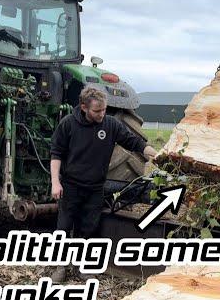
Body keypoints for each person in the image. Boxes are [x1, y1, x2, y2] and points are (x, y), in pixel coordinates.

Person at [49, 86, 157, 281]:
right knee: (64, 227)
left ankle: (82, 267)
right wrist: (55, 182)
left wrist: (155, 153)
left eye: (104, 110)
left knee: (89, 228)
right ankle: (60, 267)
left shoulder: (110, 125)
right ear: (84, 107)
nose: (102, 114)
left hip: (95, 187)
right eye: (97, 111)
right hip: (71, 186)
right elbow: (56, 154)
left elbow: (134, 142)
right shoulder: (68, 124)